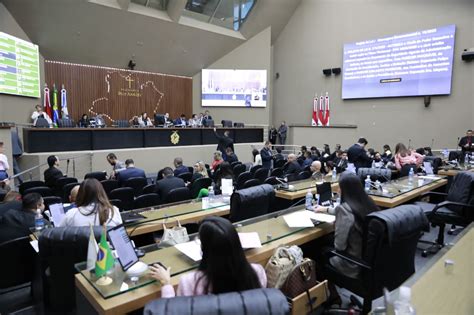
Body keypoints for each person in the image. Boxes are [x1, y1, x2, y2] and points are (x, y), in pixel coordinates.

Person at [150, 216, 266, 297]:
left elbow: (173, 311)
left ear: (204, 249)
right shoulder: (257, 271)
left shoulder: (190, 282)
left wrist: (166, 284)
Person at [315, 172, 379, 278]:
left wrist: (337, 226)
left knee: (315, 248)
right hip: (368, 261)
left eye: (339, 187)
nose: (337, 190)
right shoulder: (367, 202)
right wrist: (325, 209)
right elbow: (348, 211)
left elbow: (339, 246)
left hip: (351, 264)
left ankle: (328, 290)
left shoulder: (344, 209)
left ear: (344, 190)